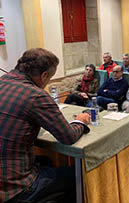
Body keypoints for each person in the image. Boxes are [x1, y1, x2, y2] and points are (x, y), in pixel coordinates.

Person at [0, 48, 90, 202]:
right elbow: (67, 137)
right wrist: (80, 121)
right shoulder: (36, 95)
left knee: (47, 161)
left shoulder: (3, 81)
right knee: (78, 175)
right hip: (15, 187)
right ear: (44, 76)